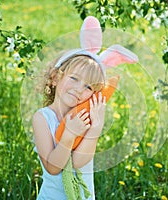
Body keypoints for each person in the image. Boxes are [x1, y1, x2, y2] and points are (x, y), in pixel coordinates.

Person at [32, 16, 138, 200]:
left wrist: (95, 129)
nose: (79, 89)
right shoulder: (43, 118)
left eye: (89, 87)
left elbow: (79, 162)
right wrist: (68, 135)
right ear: (56, 77)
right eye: (74, 79)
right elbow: (53, 167)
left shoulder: (85, 118)